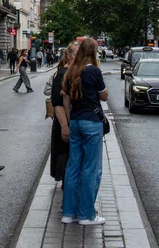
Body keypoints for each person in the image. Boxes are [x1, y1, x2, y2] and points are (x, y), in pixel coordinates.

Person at [61, 37, 108, 226]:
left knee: (73, 167)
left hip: (76, 122)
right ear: (93, 51)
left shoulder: (70, 71)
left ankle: (68, 213)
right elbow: (104, 96)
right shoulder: (93, 71)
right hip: (91, 122)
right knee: (91, 169)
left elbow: (65, 100)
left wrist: (70, 120)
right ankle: (86, 215)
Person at [50, 42, 78, 186]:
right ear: (68, 56)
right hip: (64, 122)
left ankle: (68, 185)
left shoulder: (75, 72)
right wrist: (64, 127)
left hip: (72, 121)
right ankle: (67, 185)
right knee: (65, 155)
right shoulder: (62, 75)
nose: (78, 57)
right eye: (75, 54)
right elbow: (57, 103)